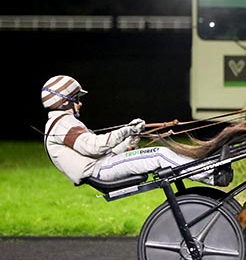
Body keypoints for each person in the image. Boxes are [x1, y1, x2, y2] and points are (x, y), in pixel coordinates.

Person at [41, 75, 218, 186]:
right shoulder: (62, 124)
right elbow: (95, 147)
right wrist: (126, 130)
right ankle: (210, 174)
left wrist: (130, 138)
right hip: (101, 170)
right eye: (76, 98)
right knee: (160, 155)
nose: (80, 103)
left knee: (160, 153)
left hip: (103, 165)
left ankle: (207, 170)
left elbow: (101, 152)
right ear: (64, 101)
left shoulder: (61, 123)